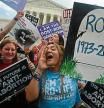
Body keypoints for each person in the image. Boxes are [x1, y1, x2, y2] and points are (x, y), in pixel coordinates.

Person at [25, 42, 81, 108]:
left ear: (61, 55)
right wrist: (39, 69)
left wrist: (78, 104)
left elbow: (76, 93)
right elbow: (29, 97)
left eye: (53, 49)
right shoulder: (40, 73)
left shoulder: (70, 70)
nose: (48, 50)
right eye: (46, 49)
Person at [0, 39, 34, 108]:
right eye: (7, 49)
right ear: (0, 50)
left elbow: (29, 83)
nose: (10, 52)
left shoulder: (22, 64)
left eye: (13, 50)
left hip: (20, 102)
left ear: (16, 51)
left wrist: (32, 70)